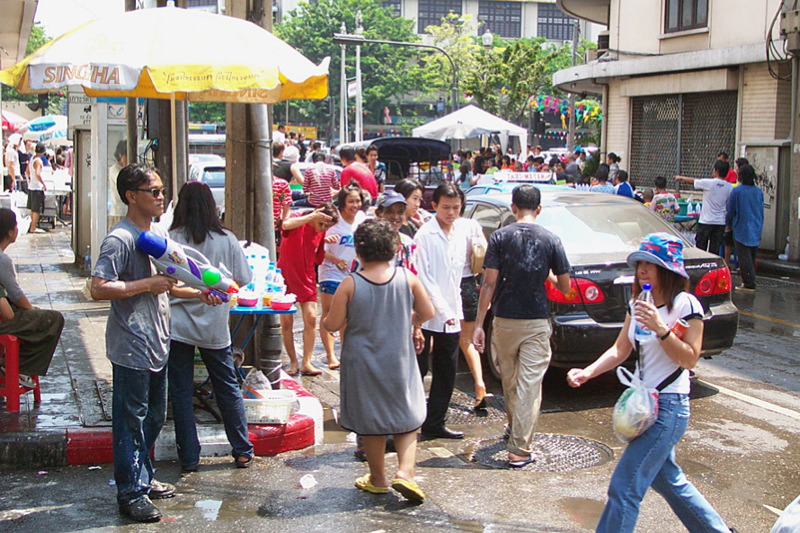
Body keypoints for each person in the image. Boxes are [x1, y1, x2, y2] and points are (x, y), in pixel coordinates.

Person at [566, 233, 734, 533]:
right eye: (640, 263)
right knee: (668, 480)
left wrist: (660, 328)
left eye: (650, 264)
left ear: (667, 269)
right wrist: (587, 372)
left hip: (669, 407)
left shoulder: (685, 306)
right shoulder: (637, 304)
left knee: (624, 487)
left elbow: (689, 359)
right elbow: (621, 349)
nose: (642, 269)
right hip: (644, 407)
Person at [91, 164, 217, 523]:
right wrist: (142, 286)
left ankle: (142, 477)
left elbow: (168, 282)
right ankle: (129, 492)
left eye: (163, 191)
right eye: (154, 191)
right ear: (132, 196)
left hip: (158, 340)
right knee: (130, 420)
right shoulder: (120, 239)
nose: (161, 198)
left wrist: (201, 293)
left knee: (154, 417)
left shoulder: (156, 234)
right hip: (131, 344)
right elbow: (99, 287)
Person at [323, 219, 434, 501]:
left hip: (362, 362)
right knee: (407, 415)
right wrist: (408, 318)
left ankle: (378, 478)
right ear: (395, 248)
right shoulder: (407, 278)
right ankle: (406, 474)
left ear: (358, 252)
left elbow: (333, 325)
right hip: (399, 359)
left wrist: (326, 317)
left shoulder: (350, 283)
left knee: (370, 419)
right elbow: (428, 312)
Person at [472, 185, 570, 467]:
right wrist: (547, 274)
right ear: (539, 210)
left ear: (513, 208)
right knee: (530, 385)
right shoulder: (551, 239)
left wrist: (480, 325)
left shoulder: (501, 237)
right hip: (536, 321)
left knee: (510, 380)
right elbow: (564, 287)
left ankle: (514, 431)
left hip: (503, 321)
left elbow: (488, 283)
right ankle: (519, 449)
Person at [167, 181, 254, 473]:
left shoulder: (172, 239)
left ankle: (189, 457)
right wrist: (219, 290)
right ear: (211, 207)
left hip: (177, 325)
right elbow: (242, 277)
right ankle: (242, 450)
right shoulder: (226, 239)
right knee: (226, 386)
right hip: (214, 326)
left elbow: (165, 282)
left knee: (180, 390)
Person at [414, 183, 470, 440]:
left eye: (456, 208)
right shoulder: (424, 235)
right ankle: (410, 420)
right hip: (425, 311)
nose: (451, 213)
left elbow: (460, 273)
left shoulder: (461, 232)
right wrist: (442, 309)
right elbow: (424, 277)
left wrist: (452, 310)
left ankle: (436, 422)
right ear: (434, 205)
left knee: (447, 370)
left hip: (452, 310)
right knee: (418, 368)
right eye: (446, 207)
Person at [0, 208, 64, 386]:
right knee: (52, 320)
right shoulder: (2, 260)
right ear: (10, 232)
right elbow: (16, 294)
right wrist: (31, 310)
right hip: (4, 319)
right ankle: (22, 367)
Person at [277, 204, 338, 376]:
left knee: (311, 318)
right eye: (323, 224)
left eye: (327, 226)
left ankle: (306, 362)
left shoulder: (321, 231)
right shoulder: (300, 219)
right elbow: (285, 225)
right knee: (287, 322)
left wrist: (324, 239)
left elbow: (318, 256)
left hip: (307, 277)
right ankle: (293, 361)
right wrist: (311, 217)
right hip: (286, 276)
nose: (324, 228)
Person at [319, 183, 366, 370]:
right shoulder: (333, 221)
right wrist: (334, 258)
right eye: (350, 201)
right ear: (342, 203)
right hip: (331, 271)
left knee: (349, 316)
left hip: (354, 274)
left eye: (358, 201)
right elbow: (316, 247)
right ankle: (331, 356)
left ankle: (346, 353)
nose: (355, 205)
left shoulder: (362, 219)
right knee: (330, 314)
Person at [459, 211, 491, 410]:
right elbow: (483, 254)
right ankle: (480, 384)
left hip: (447, 284)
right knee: (467, 341)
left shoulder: (435, 225)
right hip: (469, 284)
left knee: (436, 340)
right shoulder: (472, 225)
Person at [676, 160, 732, 256]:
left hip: (706, 221)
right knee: (715, 249)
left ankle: (699, 265)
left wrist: (680, 178)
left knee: (700, 247)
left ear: (716, 171)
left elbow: (693, 181)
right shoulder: (729, 187)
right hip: (720, 222)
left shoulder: (709, 183)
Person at [726, 164, 764, 292]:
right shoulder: (758, 191)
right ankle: (748, 279)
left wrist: (728, 226)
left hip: (741, 227)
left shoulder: (737, 191)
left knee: (744, 256)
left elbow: (731, 211)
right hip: (756, 226)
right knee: (751, 255)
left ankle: (749, 282)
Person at [270, 142, 293, 233]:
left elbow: (286, 208)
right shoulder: (251, 184)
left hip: (274, 229)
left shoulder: (281, 184)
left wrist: (284, 228)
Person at [27, 143, 48, 234]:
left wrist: (31, 180)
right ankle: (33, 228)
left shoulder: (32, 158)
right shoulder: (39, 161)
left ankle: (31, 226)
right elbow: (38, 173)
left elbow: (27, 172)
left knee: (32, 209)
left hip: (31, 186)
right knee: (37, 209)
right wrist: (43, 183)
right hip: (37, 188)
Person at [108, 140, 128, 229]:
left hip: (127, 212)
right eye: (126, 156)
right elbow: (124, 183)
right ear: (120, 155)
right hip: (118, 212)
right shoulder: (115, 169)